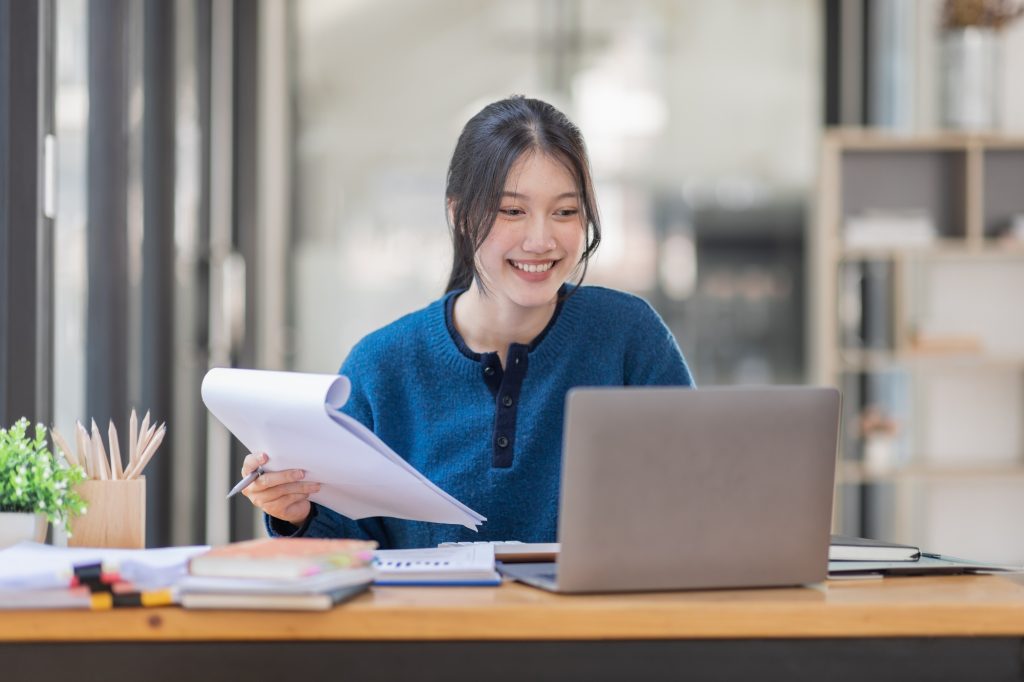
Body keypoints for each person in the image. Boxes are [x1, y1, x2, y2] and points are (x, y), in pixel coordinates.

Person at [241, 95, 694, 549]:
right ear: (460, 215)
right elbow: (344, 551)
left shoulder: (627, 336)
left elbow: (697, 495)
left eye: (565, 212)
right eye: (512, 211)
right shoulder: (382, 366)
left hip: (594, 620)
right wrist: (296, 514)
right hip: (430, 620)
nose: (542, 239)